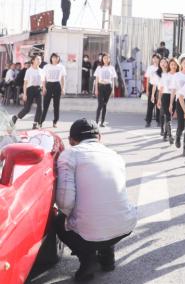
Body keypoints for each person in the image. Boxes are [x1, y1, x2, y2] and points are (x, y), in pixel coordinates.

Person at [55, 118, 137, 282]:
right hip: (125, 225)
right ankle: (107, 258)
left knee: (58, 221)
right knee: (105, 209)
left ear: (71, 140)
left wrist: (66, 216)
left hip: (92, 231)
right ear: (99, 137)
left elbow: (65, 202)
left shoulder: (69, 155)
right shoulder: (115, 155)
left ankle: (88, 260)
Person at [12, 55, 44, 129]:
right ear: (33, 60)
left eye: (40, 59)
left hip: (38, 89)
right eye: (37, 59)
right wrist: (25, 94)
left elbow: (43, 81)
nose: (39, 61)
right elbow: (25, 83)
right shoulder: (29, 71)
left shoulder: (42, 70)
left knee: (40, 107)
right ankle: (16, 117)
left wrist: (43, 88)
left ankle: (35, 124)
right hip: (30, 89)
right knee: (27, 109)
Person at [40, 53, 67, 128]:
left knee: (56, 105)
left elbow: (62, 79)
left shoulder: (61, 67)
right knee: (45, 104)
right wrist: (43, 87)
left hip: (57, 85)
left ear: (58, 59)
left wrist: (63, 88)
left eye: (56, 57)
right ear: (51, 58)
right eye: (53, 57)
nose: (55, 59)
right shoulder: (46, 66)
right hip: (48, 84)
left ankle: (55, 121)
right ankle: (41, 121)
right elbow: (43, 78)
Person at [172, 56, 185, 151]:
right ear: (181, 64)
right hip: (180, 101)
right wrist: (171, 103)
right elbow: (174, 90)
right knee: (181, 125)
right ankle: (178, 136)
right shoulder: (177, 75)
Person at [158, 58, 179, 144]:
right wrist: (159, 99)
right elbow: (161, 88)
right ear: (169, 65)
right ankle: (170, 135)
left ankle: (166, 134)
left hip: (175, 97)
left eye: (175, 65)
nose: (173, 66)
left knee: (170, 116)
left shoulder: (178, 75)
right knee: (168, 115)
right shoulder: (165, 75)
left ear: (177, 66)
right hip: (166, 96)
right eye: (171, 64)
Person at [94, 53, 117, 127]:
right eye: (104, 58)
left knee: (104, 105)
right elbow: (96, 79)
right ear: (102, 59)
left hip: (108, 87)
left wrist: (113, 90)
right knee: (100, 104)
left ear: (109, 59)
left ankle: (102, 122)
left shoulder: (112, 68)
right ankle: (96, 121)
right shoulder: (99, 67)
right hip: (100, 86)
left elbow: (113, 80)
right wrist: (96, 89)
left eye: (107, 58)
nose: (106, 59)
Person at [144, 54, 161, 127]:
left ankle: (159, 121)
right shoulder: (150, 68)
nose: (155, 60)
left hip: (159, 87)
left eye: (157, 58)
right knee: (150, 104)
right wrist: (147, 90)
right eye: (154, 58)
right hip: (151, 86)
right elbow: (147, 79)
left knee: (158, 104)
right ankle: (148, 121)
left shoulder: (161, 67)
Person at [154, 58, 170, 138]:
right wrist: (153, 96)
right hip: (160, 93)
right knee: (162, 112)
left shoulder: (170, 73)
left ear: (167, 63)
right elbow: (155, 85)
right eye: (161, 62)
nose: (163, 64)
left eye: (164, 62)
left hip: (169, 94)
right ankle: (162, 129)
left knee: (168, 114)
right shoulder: (157, 73)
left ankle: (167, 131)